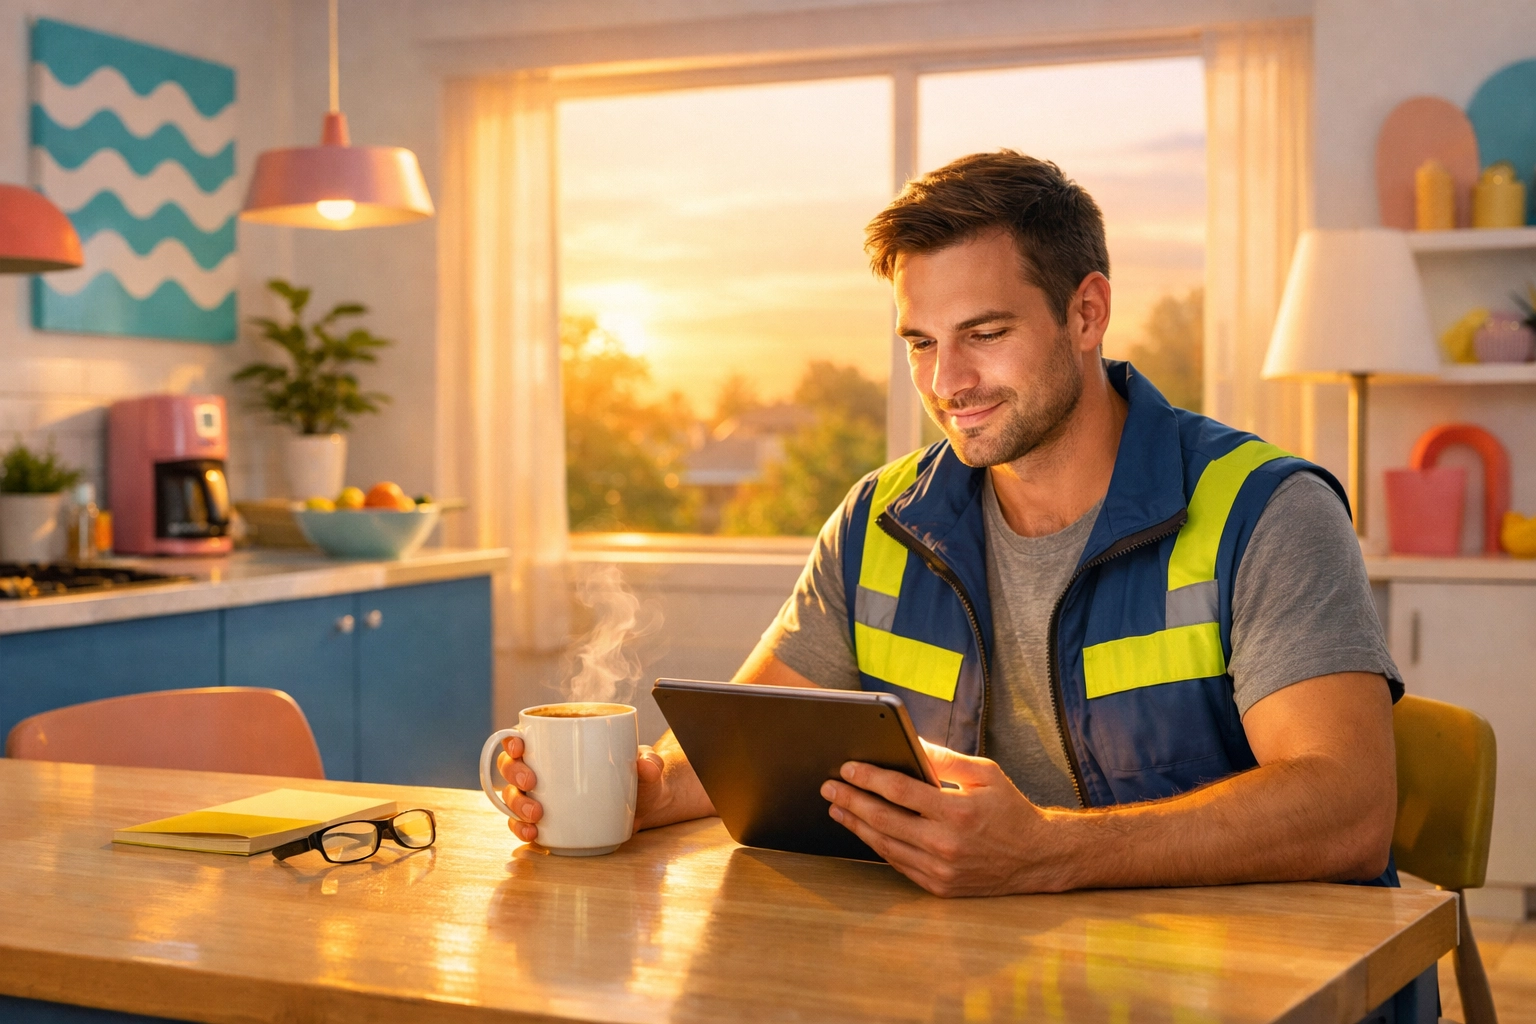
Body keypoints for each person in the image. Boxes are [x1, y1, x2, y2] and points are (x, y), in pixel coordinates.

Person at [501, 151, 1429, 1020]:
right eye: (920, 341)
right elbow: (759, 723)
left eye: (985, 333)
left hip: (1259, 988)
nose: (948, 382)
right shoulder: (880, 519)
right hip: (994, 982)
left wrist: (1048, 855)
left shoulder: (1263, 510)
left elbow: (1348, 807)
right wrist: (653, 787)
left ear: (1086, 313)